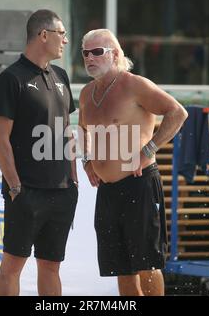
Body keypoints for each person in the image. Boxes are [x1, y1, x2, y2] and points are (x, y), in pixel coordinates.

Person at [78, 29, 188, 296]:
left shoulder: (135, 85)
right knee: (121, 268)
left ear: (115, 54)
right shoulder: (86, 93)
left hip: (139, 185)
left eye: (97, 52)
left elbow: (177, 113)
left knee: (147, 265)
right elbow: (83, 129)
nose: (89, 58)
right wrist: (88, 161)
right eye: (85, 53)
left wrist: (148, 149)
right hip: (107, 191)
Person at [0, 9, 78, 296]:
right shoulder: (10, 79)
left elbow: (67, 131)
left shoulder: (62, 76)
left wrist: (73, 179)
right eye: (61, 34)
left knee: (51, 267)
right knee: (13, 265)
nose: (65, 40)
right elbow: (1, 140)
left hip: (62, 190)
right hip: (26, 191)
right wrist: (15, 186)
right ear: (44, 35)